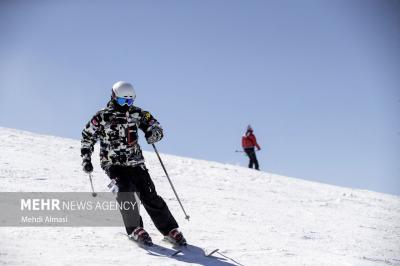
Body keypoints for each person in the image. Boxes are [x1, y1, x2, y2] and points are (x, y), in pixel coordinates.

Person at [80, 81, 186, 246]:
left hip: (135, 161)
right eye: (123, 101)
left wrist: (153, 134)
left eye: (130, 101)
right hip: (112, 163)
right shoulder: (101, 116)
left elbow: (155, 126)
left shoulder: (138, 113)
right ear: (114, 97)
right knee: (126, 191)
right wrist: (86, 159)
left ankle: (170, 230)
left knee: (149, 194)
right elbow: (87, 137)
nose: (126, 105)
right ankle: (135, 228)